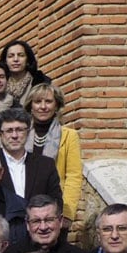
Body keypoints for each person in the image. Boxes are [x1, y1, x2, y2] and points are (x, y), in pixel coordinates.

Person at [23, 83, 84, 220]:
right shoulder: (20, 135)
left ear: (56, 106)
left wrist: (66, 214)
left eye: (48, 101)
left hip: (54, 209)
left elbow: (73, 177)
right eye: (38, 102)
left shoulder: (69, 136)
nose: (43, 106)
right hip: (24, 205)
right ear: (30, 106)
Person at [0, 108, 62, 205]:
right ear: (0, 134)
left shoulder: (46, 165)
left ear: (28, 132)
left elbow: (56, 202)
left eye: (20, 130)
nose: (14, 135)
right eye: (9, 131)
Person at [0, 40, 50, 105]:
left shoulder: (41, 83)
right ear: (5, 61)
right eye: (11, 56)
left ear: (28, 60)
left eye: (21, 55)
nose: (16, 59)